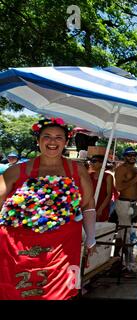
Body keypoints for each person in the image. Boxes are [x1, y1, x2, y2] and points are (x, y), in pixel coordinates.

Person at [0, 118, 96, 300]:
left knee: (64, 294)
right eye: (47, 136)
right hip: (19, 251)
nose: (52, 141)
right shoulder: (16, 171)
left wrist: (91, 238)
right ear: (38, 140)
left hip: (64, 251)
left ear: (66, 142)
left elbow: (88, 204)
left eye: (59, 137)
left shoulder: (78, 170)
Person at [114, 147, 137, 268]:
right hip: (124, 204)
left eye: (134, 155)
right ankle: (126, 263)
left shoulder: (134, 169)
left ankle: (118, 259)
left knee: (124, 233)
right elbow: (119, 187)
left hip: (132, 204)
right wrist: (135, 179)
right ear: (124, 156)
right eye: (129, 155)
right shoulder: (121, 169)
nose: (132, 157)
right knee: (126, 234)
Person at [88, 155, 114, 222]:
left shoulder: (108, 176)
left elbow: (109, 195)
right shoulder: (89, 175)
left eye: (94, 161)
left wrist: (100, 209)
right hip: (90, 207)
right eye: (91, 161)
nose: (91, 163)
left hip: (102, 207)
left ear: (102, 163)